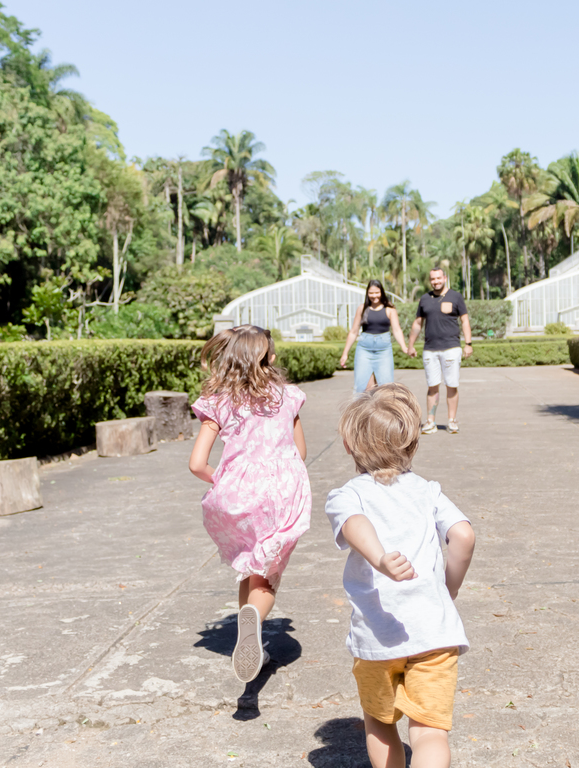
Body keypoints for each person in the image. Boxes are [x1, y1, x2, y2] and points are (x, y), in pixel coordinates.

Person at [325, 383, 476, 768]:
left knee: (380, 720)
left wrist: (378, 558)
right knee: (428, 731)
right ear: (412, 443)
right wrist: (448, 590)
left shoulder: (347, 494)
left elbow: (354, 523)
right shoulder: (428, 491)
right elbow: (462, 535)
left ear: (348, 445)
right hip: (434, 631)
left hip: (378, 636)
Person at [188, 324, 311, 684]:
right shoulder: (288, 396)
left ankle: (249, 629)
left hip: (237, 497)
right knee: (267, 576)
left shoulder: (219, 401)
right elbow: (299, 452)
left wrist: (227, 482)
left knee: (248, 566)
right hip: (281, 494)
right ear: (266, 358)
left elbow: (197, 463)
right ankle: (254, 620)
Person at [407, 268, 472, 435]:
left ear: (444, 278)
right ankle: (430, 422)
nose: (435, 281)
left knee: (452, 385)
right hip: (430, 350)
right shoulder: (425, 299)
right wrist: (411, 344)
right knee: (432, 386)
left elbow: (464, 320)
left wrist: (468, 343)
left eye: (438, 278)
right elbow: (417, 323)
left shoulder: (455, 296)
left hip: (451, 348)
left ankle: (452, 421)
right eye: (432, 279)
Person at [339, 279, 415, 394]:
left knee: (387, 389)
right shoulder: (362, 308)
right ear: (367, 293)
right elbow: (354, 332)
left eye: (377, 292)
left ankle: (387, 412)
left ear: (382, 293)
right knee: (361, 388)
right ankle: (360, 412)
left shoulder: (390, 309)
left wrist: (404, 347)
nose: (374, 296)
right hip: (364, 350)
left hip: (383, 351)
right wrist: (345, 353)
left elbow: (397, 330)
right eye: (371, 293)